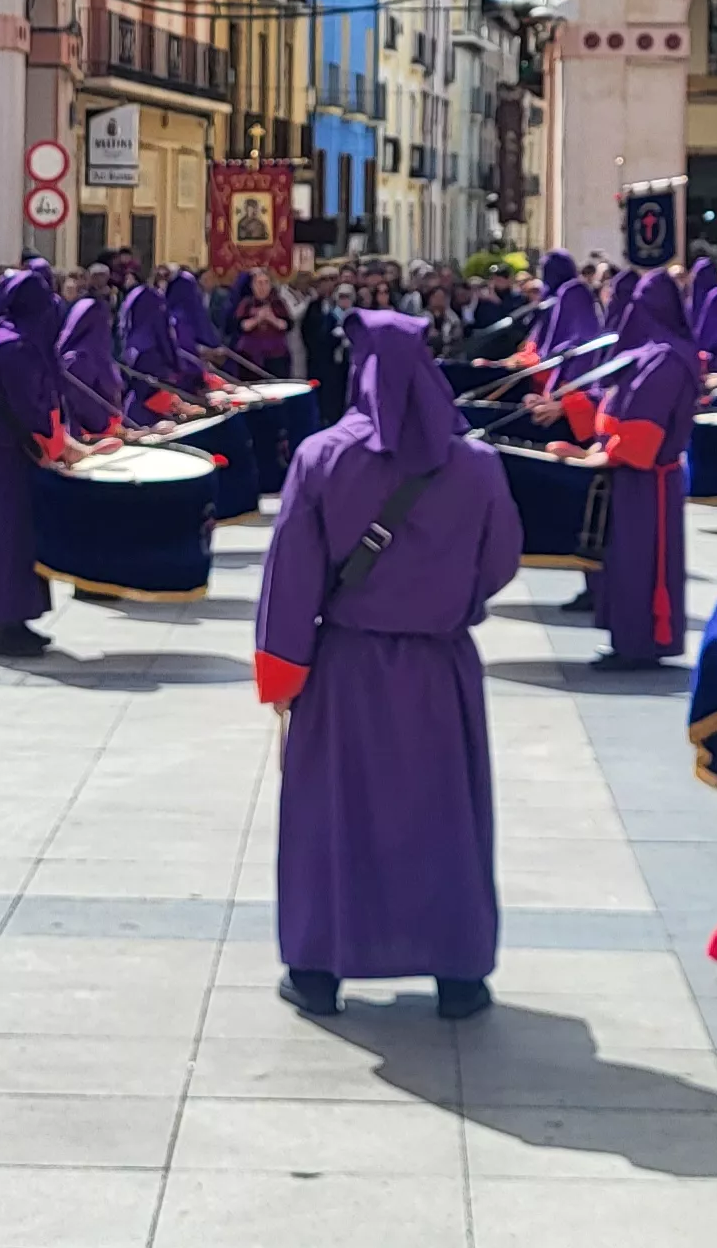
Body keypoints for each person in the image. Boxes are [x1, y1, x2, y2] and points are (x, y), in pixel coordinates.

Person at [257, 309, 524, 1019]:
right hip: (440, 668)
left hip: (345, 667)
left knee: (332, 818)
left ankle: (318, 969)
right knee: (444, 818)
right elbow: (501, 561)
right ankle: (457, 974)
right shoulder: (477, 464)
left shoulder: (321, 457)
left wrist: (282, 677)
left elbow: (289, 577)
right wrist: (446, 599)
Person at [557, 269, 698, 669]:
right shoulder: (651, 353)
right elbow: (615, 399)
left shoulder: (667, 359)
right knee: (623, 558)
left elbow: (644, 430)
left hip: (646, 480)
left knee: (640, 561)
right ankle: (628, 639)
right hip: (634, 477)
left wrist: (587, 456)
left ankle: (640, 643)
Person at [0, 267, 74, 656]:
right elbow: (28, 405)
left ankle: (13, 620)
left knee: (5, 541)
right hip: (8, 456)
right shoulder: (16, 347)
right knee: (9, 540)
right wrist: (56, 443)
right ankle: (3, 627)